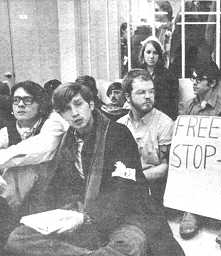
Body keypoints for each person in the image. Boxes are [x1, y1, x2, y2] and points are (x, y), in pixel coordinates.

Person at [5, 82, 185, 256]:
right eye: (67, 109)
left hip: (125, 216)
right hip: (80, 214)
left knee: (130, 246)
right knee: (18, 238)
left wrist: (87, 216)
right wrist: (54, 216)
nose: (74, 113)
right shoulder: (68, 142)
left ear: (90, 104)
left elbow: (125, 190)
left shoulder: (118, 133)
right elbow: (57, 187)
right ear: (61, 115)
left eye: (78, 104)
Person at [179, 62, 221, 249]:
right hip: (195, 160)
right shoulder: (187, 106)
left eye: (198, 79)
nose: (194, 83)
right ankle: (193, 210)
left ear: (212, 83)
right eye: (193, 79)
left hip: (218, 160)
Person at [0, 81, 55, 249]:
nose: (21, 105)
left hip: (47, 193)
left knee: (26, 165)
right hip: (12, 199)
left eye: (27, 100)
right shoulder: (6, 131)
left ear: (40, 104)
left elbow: (39, 150)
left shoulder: (51, 125)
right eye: (16, 101)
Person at [118, 69, 173, 204]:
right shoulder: (120, 125)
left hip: (153, 191)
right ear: (127, 97)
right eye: (141, 92)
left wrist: (134, 178)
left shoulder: (165, 124)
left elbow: (166, 168)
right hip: (123, 188)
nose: (148, 96)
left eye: (151, 91)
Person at [138, 36, 179, 120]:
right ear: (143, 54)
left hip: (161, 117)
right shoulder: (137, 74)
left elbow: (172, 104)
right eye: (148, 52)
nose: (151, 56)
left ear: (160, 55)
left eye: (155, 53)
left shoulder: (169, 76)